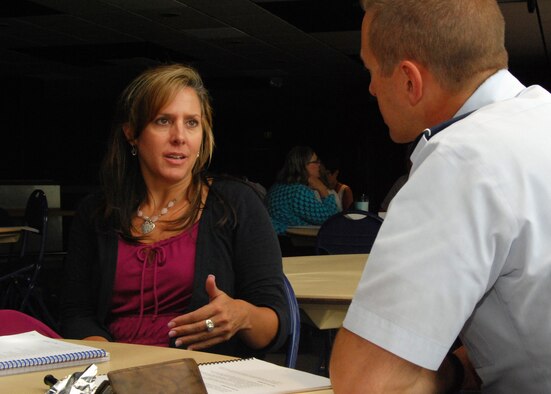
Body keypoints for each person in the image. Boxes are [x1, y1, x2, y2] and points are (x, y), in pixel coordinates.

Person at [330, 1, 551, 393]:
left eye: (370, 70)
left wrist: (450, 372)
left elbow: (369, 383)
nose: (371, 88)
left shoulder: (461, 158)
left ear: (409, 81)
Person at [60, 64, 289, 359]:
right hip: (113, 373)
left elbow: (274, 328)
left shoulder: (236, 204)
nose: (180, 136)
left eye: (192, 123)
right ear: (132, 133)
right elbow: (75, 311)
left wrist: (241, 315)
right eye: (163, 121)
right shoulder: (96, 212)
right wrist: (103, 355)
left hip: (204, 376)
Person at [266, 146, 339, 235]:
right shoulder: (298, 191)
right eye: (315, 162)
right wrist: (322, 189)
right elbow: (332, 219)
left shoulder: (277, 186)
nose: (319, 165)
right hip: (294, 244)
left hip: (279, 241)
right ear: (302, 166)